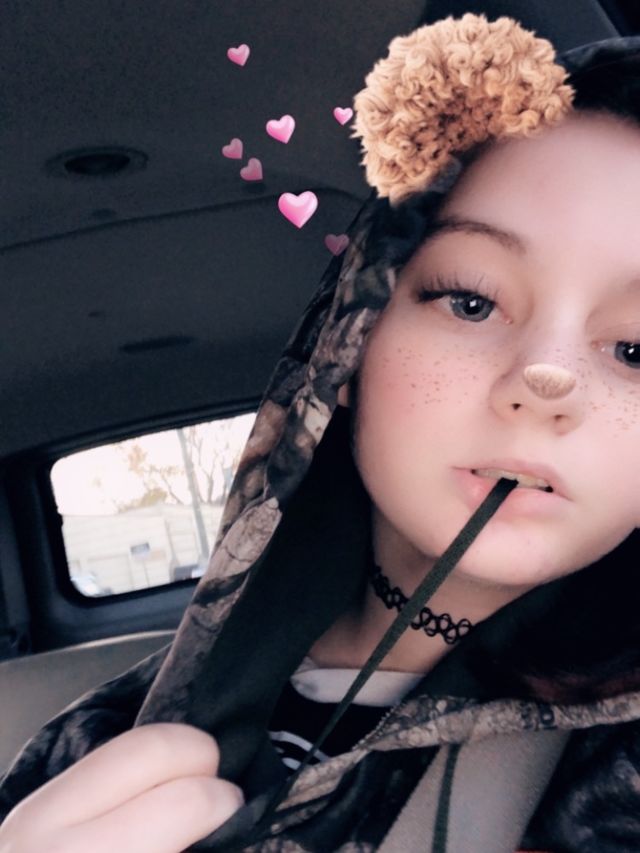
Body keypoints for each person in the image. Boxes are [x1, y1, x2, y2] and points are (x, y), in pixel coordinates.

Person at [1, 12, 640, 852]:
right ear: (353, 339)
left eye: (636, 349)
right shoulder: (99, 734)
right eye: (470, 299)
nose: (545, 379)